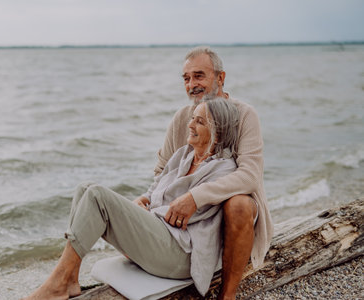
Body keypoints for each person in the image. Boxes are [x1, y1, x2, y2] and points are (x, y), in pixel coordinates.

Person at [22, 97, 242, 299]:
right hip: (159, 236)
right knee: (84, 189)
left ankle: (58, 283)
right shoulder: (183, 155)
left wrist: (146, 214)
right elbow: (155, 189)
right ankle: (69, 278)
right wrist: (143, 201)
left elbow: (181, 217)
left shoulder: (223, 169)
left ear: (218, 132)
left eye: (199, 122)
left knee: (97, 196)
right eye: (192, 118)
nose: (190, 125)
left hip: (181, 254)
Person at [137, 46, 274, 299]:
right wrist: (145, 199)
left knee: (240, 204)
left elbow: (250, 176)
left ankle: (227, 295)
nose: (192, 85)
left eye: (199, 76)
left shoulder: (244, 115)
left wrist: (195, 197)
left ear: (220, 78)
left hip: (228, 213)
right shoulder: (182, 118)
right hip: (188, 220)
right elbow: (161, 170)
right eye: (186, 78)